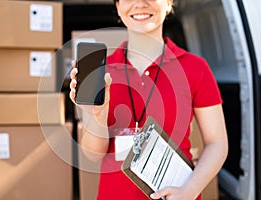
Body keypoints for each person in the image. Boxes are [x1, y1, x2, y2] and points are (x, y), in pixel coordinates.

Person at [69, 0, 228, 199]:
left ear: (169, 3)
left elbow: (217, 143)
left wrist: (190, 191)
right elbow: (93, 154)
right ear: (118, 6)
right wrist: (98, 118)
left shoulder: (195, 68)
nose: (140, 3)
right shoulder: (100, 73)